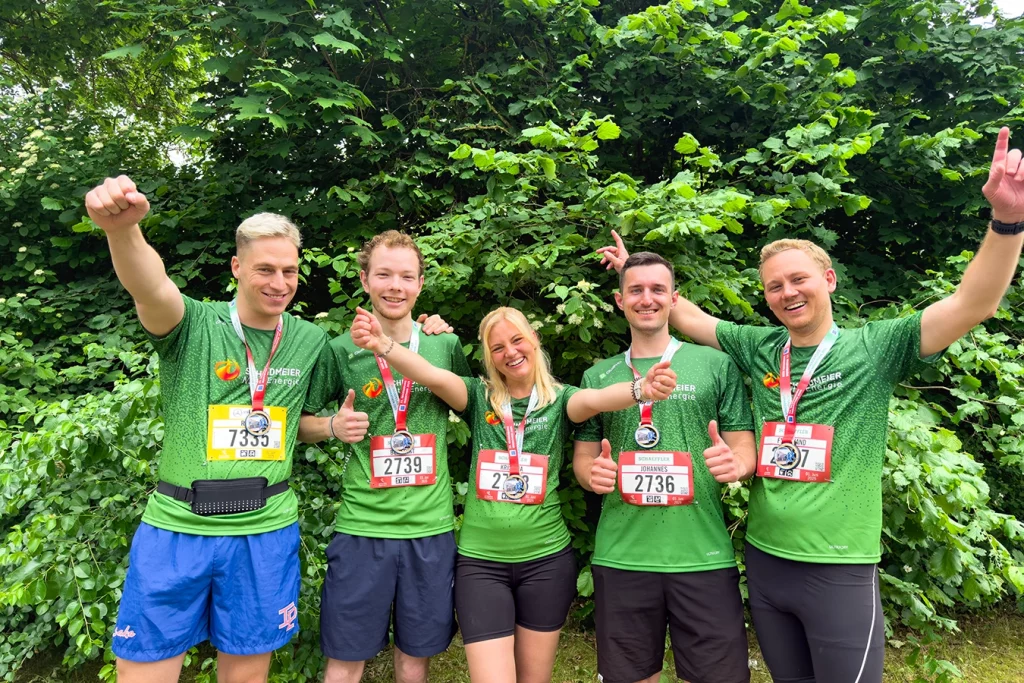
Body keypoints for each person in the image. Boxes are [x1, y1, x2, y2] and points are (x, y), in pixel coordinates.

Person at [594, 127, 1024, 682]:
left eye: (798, 279)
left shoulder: (876, 346)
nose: (787, 293)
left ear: (828, 279)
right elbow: (688, 317)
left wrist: (1008, 221)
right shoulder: (759, 347)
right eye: (773, 286)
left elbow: (974, 303)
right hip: (767, 562)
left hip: (839, 564)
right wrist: (639, 274)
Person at [85, 176, 343, 683]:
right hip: (178, 528)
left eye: (289, 270)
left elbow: (298, 426)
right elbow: (151, 286)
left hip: (264, 531)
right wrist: (123, 232)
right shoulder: (194, 324)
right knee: (143, 673)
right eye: (265, 269)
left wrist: (333, 424)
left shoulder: (311, 340)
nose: (279, 282)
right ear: (237, 267)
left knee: (247, 675)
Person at [346, 304, 678, 683]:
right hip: (481, 565)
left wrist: (641, 389)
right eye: (498, 347)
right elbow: (432, 375)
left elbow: (597, 399)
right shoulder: (477, 397)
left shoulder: (561, 400)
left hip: (546, 562)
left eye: (517, 340)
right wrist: (385, 345)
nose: (510, 352)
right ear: (489, 357)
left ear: (534, 340)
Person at [572, 251, 757, 683]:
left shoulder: (715, 364)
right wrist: (590, 475)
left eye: (658, 289)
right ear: (620, 301)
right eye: (635, 290)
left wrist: (738, 464)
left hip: (703, 555)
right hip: (623, 556)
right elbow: (584, 457)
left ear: (674, 298)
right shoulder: (598, 377)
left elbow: (743, 445)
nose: (647, 299)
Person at [299, 231, 470, 683]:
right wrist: (332, 426)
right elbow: (298, 425)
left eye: (406, 276)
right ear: (364, 280)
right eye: (384, 274)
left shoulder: (444, 345)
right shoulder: (339, 350)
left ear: (420, 284)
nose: (396, 285)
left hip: (430, 528)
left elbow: (471, 404)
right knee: (346, 656)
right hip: (362, 528)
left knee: (415, 657)